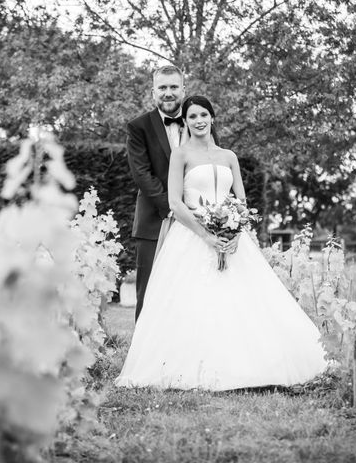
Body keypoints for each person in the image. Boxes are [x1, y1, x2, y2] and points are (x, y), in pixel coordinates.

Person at [116, 96, 328, 391]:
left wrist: (235, 234)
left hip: (232, 239)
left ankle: (252, 365)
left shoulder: (229, 156)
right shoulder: (180, 155)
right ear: (186, 121)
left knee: (246, 302)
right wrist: (206, 236)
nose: (199, 120)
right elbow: (176, 203)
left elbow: (241, 202)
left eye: (204, 114)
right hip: (192, 236)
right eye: (192, 116)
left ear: (212, 118)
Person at [126, 65, 185, 321]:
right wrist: (173, 208)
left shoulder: (199, 121)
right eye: (163, 87)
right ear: (153, 92)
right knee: (149, 293)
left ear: (184, 90)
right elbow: (142, 174)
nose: (168, 93)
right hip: (154, 223)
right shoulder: (138, 127)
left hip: (195, 225)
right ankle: (142, 358)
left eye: (173, 87)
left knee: (190, 293)